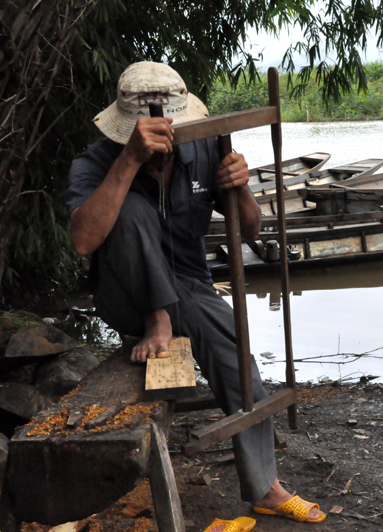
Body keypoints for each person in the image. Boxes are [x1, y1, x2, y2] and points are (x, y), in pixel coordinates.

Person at [65, 61, 324, 524]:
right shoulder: (98, 159)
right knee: (130, 211)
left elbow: (249, 231)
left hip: (189, 284)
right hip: (125, 295)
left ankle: (265, 487)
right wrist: (129, 162)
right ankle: (157, 317)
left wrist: (241, 190)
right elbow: (83, 241)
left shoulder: (207, 147)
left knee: (236, 353)